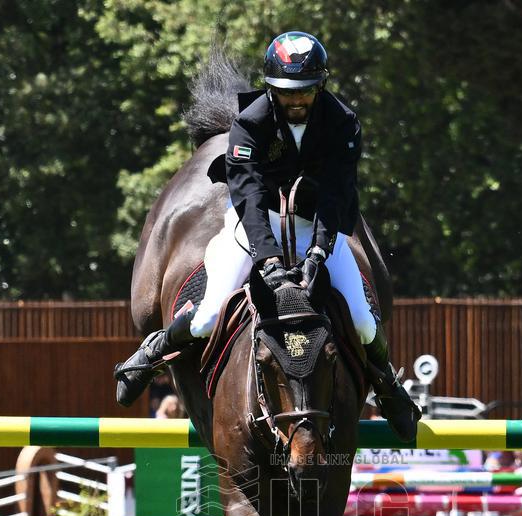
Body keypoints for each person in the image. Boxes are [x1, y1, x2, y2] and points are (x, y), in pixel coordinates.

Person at [115, 30, 419, 441]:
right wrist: (269, 259)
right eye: (286, 92)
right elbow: (248, 198)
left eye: (305, 92)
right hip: (254, 225)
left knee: (364, 323)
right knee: (206, 316)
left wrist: (317, 255)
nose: (296, 101)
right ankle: (155, 350)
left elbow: (336, 197)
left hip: (317, 224)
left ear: (320, 86)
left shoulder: (343, 124)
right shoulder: (249, 122)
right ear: (270, 88)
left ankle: (386, 384)